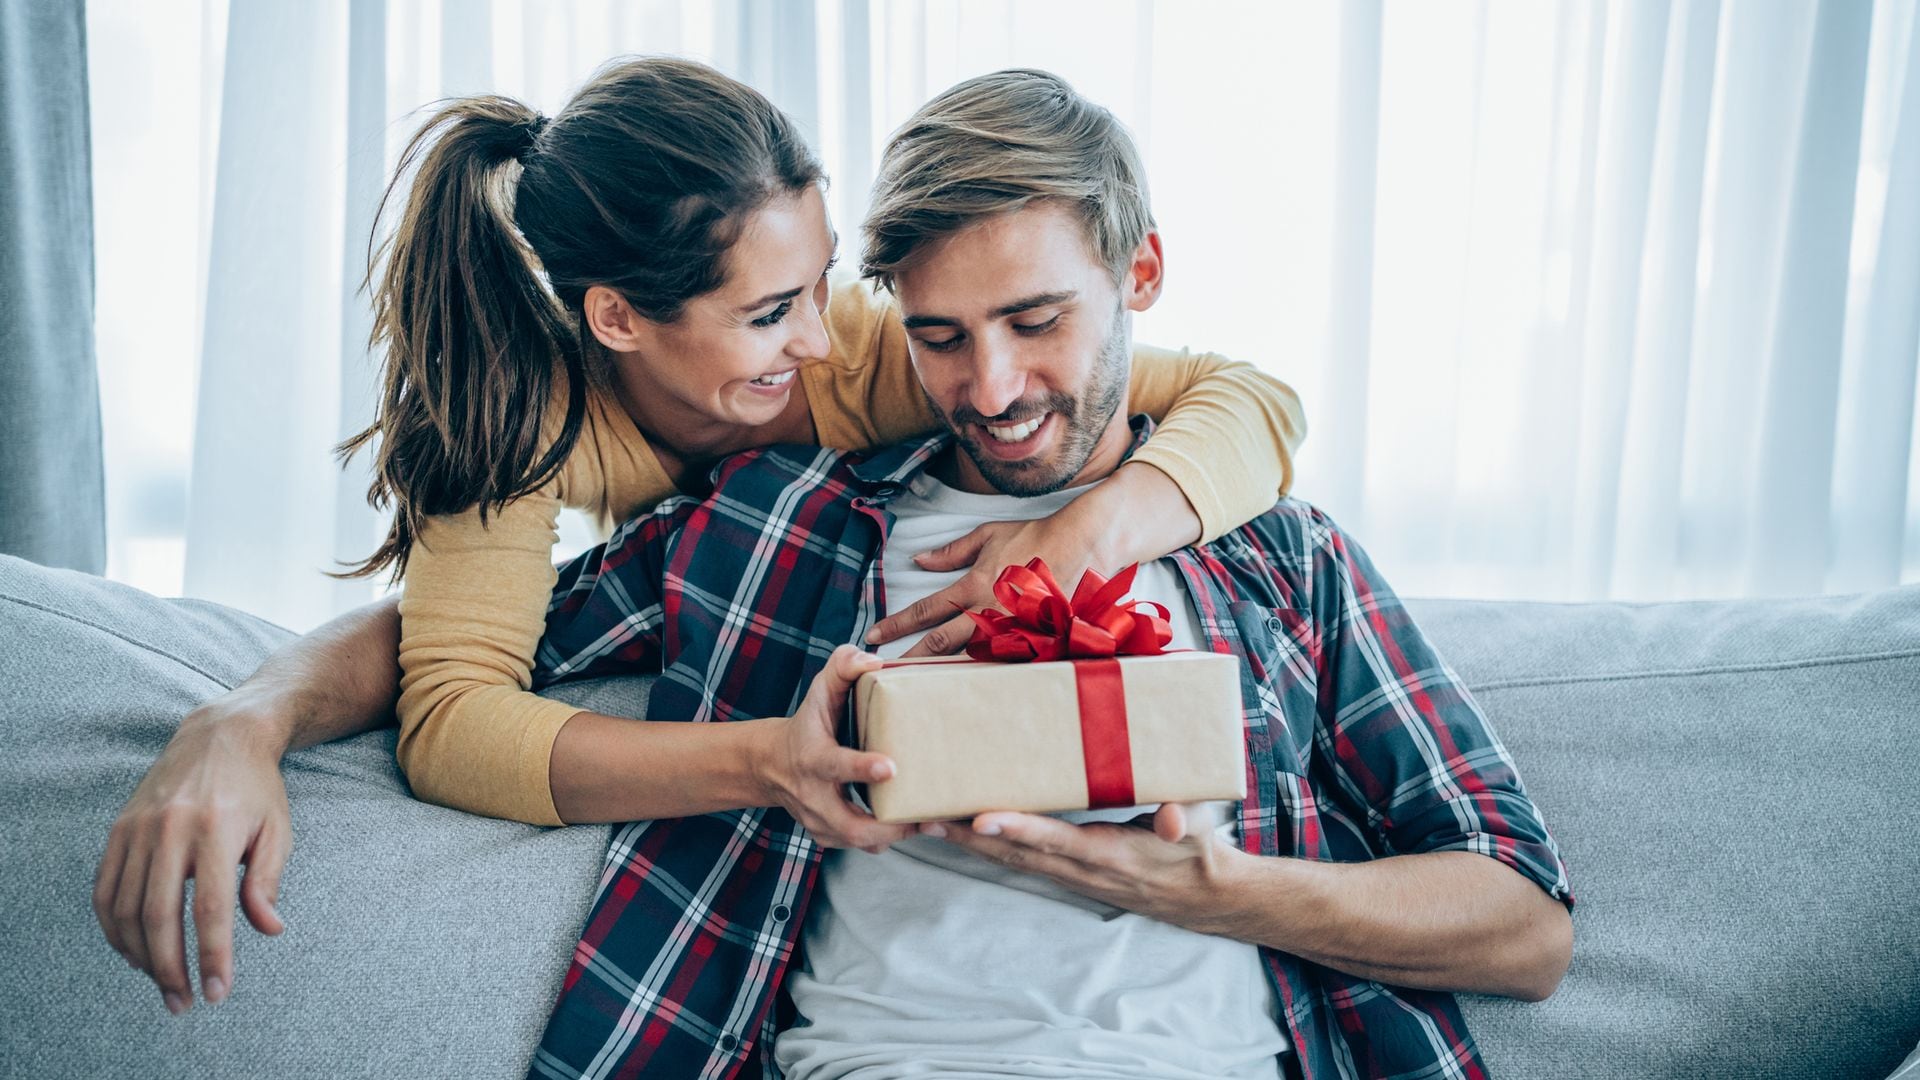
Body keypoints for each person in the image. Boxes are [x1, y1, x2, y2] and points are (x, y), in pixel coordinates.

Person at [91, 57, 1306, 1017]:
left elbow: (1247, 398)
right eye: (773, 314)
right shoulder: (520, 423)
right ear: (618, 319)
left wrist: (1083, 535)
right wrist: (240, 719)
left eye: (825, 287)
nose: (828, 343)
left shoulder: (878, 353)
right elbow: (453, 705)